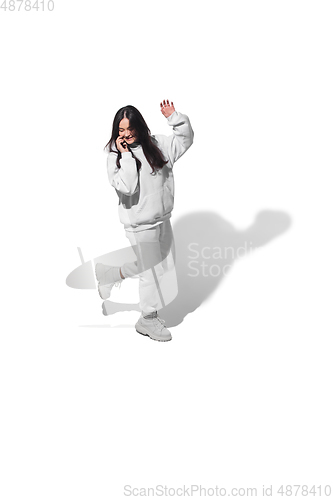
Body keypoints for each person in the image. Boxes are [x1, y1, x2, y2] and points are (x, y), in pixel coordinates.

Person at [95, 100, 194, 342]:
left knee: (164, 265)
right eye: (121, 130)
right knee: (151, 271)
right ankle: (147, 319)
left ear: (139, 127)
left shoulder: (158, 145)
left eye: (130, 129)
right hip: (139, 224)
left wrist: (175, 118)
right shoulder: (115, 155)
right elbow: (127, 187)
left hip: (162, 218)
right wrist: (126, 155)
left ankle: (110, 275)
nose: (126, 134)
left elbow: (185, 139)